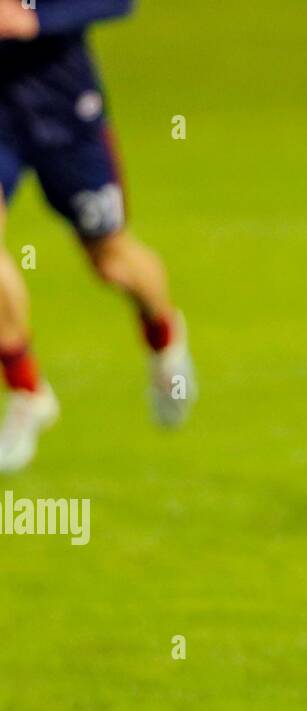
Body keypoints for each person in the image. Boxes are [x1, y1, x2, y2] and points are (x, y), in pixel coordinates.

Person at [0, 0, 195, 472]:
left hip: (65, 111)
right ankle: (27, 389)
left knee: (111, 259)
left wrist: (35, 18)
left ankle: (164, 336)